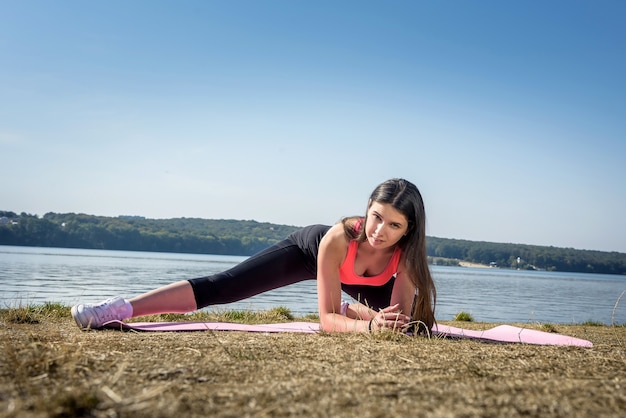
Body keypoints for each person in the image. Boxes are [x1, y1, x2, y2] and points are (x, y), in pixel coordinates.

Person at [71, 178, 437, 334]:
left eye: (393, 225)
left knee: (416, 331)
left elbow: (402, 324)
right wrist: (370, 326)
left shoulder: (406, 256)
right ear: (367, 209)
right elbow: (325, 320)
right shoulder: (342, 237)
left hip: (358, 283)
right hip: (309, 251)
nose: (379, 231)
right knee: (225, 286)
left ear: (408, 230)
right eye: (376, 216)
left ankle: (352, 309)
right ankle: (120, 308)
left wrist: (385, 325)